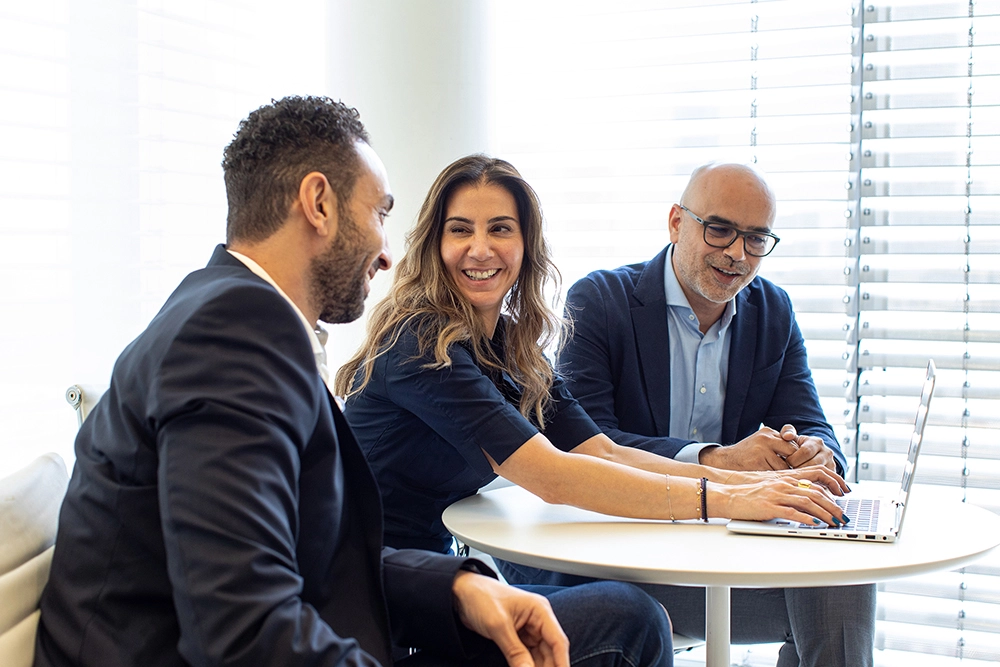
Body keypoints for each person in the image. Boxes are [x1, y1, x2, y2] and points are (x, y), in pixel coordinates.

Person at [34, 97, 674, 667]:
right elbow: (241, 632)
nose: (388, 251)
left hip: (322, 618)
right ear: (318, 203)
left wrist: (453, 585)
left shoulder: (227, 313)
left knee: (614, 612)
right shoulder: (230, 338)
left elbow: (288, 558)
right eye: (378, 214)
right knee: (631, 620)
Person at [336, 155, 855, 658]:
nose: (480, 249)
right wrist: (731, 498)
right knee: (629, 616)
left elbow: (602, 450)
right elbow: (554, 476)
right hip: (377, 602)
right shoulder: (421, 343)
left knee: (822, 593)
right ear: (435, 242)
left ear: (525, 245)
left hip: (437, 589)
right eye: (460, 230)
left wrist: (750, 485)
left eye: (499, 229)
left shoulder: (511, 349)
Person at [557, 162, 876, 666]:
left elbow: (813, 421)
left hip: (726, 551)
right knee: (828, 606)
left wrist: (817, 454)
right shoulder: (599, 301)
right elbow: (584, 443)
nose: (737, 254)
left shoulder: (772, 310)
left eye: (755, 239)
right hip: (623, 560)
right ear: (676, 223)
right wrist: (718, 460)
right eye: (720, 229)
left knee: (839, 581)